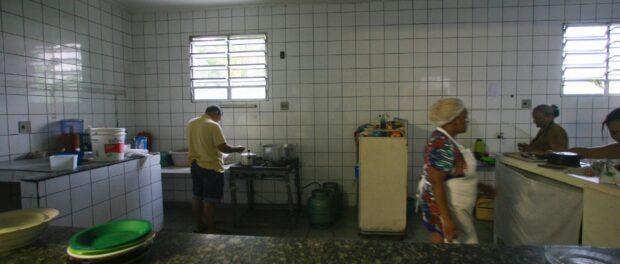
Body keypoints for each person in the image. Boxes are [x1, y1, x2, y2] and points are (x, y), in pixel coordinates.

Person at [417, 98, 494, 244]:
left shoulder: (448, 140)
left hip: (453, 204)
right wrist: (447, 220)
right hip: (446, 205)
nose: (467, 121)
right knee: (453, 239)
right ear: (454, 120)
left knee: (443, 237)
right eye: (465, 117)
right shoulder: (441, 143)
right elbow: (436, 182)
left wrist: (481, 187)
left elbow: (455, 173)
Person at [187, 105, 245, 234]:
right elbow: (223, 147)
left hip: (195, 165)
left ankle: (199, 225)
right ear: (216, 113)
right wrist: (237, 148)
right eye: (219, 117)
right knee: (210, 199)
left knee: (197, 196)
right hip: (210, 167)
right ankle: (211, 229)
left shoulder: (192, 122)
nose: (219, 120)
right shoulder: (213, 125)